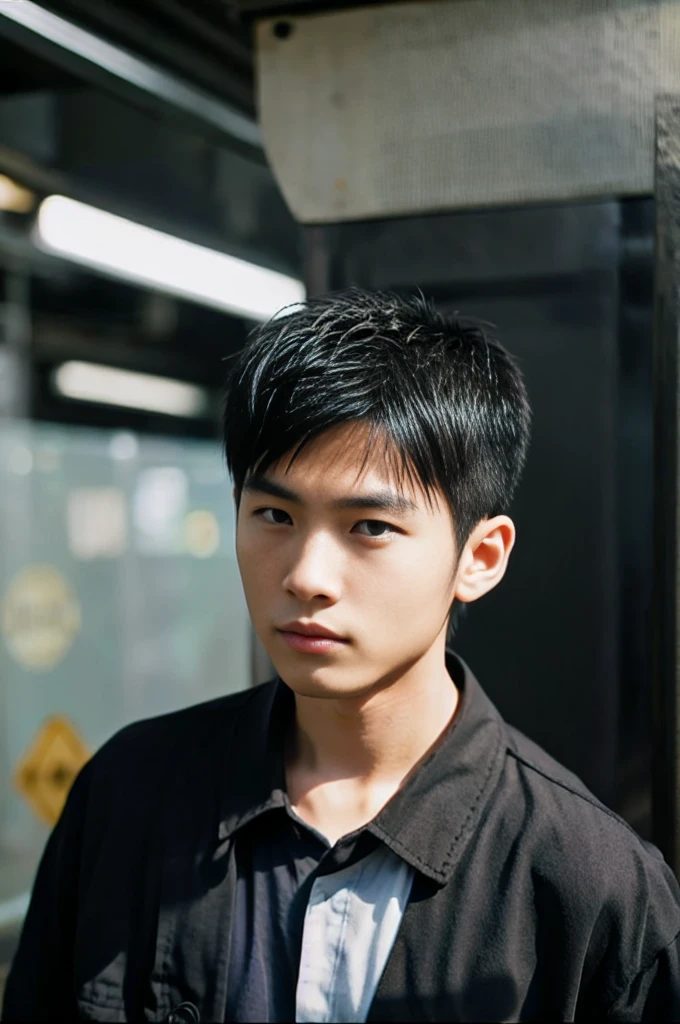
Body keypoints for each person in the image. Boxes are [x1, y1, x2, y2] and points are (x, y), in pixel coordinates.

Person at [3, 288, 680, 1024]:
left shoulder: (592, 886)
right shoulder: (127, 799)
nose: (305, 576)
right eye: (273, 515)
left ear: (479, 558)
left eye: (369, 527)